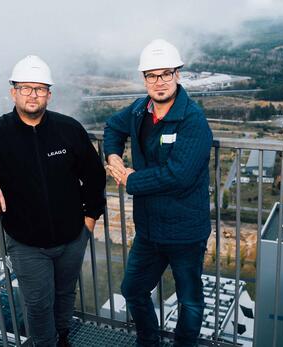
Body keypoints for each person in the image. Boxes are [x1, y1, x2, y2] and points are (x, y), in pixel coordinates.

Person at [0, 55, 106, 347]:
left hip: (72, 237)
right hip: (27, 244)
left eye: (40, 89)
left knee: (66, 293)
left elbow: (94, 176)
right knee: (39, 304)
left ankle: (63, 336)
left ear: (49, 94)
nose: (33, 94)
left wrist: (89, 220)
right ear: (13, 92)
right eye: (26, 88)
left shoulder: (68, 129)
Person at [103, 39, 213, 346]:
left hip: (185, 232)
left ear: (178, 75)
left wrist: (130, 179)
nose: (159, 81)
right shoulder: (140, 110)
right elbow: (112, 128)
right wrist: (113, 158)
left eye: (166, 74)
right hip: (149, 230)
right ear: (144, 79)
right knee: (133, 290)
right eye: (152, 75)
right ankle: (149, 341)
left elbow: (179, 175)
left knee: (189, 300)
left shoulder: (193, 120)